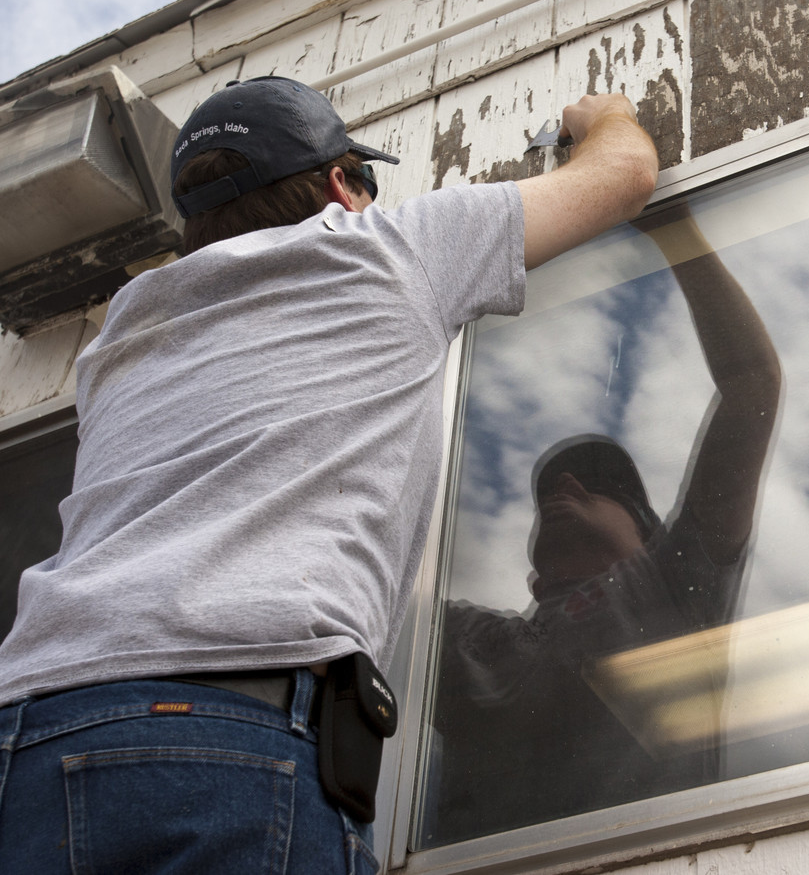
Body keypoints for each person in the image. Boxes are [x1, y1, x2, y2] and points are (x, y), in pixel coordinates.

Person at [0, 75, 657, 874]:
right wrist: (606, 114)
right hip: (227, 740)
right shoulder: (384, 251)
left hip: (28, 735)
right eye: (368, 180)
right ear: (343, 187)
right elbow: (624, 174)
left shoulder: (121, 335)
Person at [427, 205, 782, 842]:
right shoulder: (473, 643)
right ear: (536, 581)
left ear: (650, 539)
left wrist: (671, 226)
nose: (566, 486)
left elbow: (752, 385)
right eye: (552, 492)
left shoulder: (672, 586)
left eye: (600, 486)